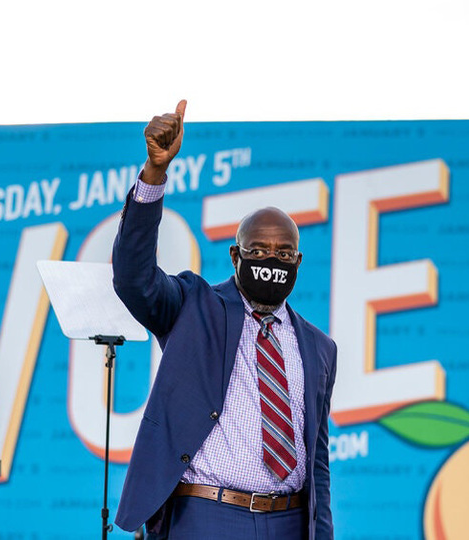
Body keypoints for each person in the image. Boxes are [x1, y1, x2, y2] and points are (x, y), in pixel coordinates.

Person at [111, 100, 336, 539]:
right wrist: (154, 174)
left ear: (298, 262)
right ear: (235, 256)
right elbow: (134, 279)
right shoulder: (194, 307)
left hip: (289, 521)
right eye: (258, 251)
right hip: (207, 515)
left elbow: (318, 463)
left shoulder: (319, 347)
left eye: (284, 253)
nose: (271, 260)